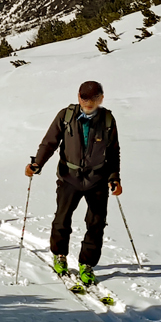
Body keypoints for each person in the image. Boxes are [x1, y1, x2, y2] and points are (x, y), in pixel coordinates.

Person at [24, 80, 122, 287]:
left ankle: (87, 264)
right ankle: (59, 255)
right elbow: (49, 142)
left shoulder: (107, 120)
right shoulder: (65, 116)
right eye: (85, 98)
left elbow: (113, 152)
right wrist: (37, 164)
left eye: (94, 98)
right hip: (69, 176)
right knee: (62, 218)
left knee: (96, 223)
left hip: (97, 179)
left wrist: (114, 178)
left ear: (101, 99)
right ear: (78, 97)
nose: (89, 102)